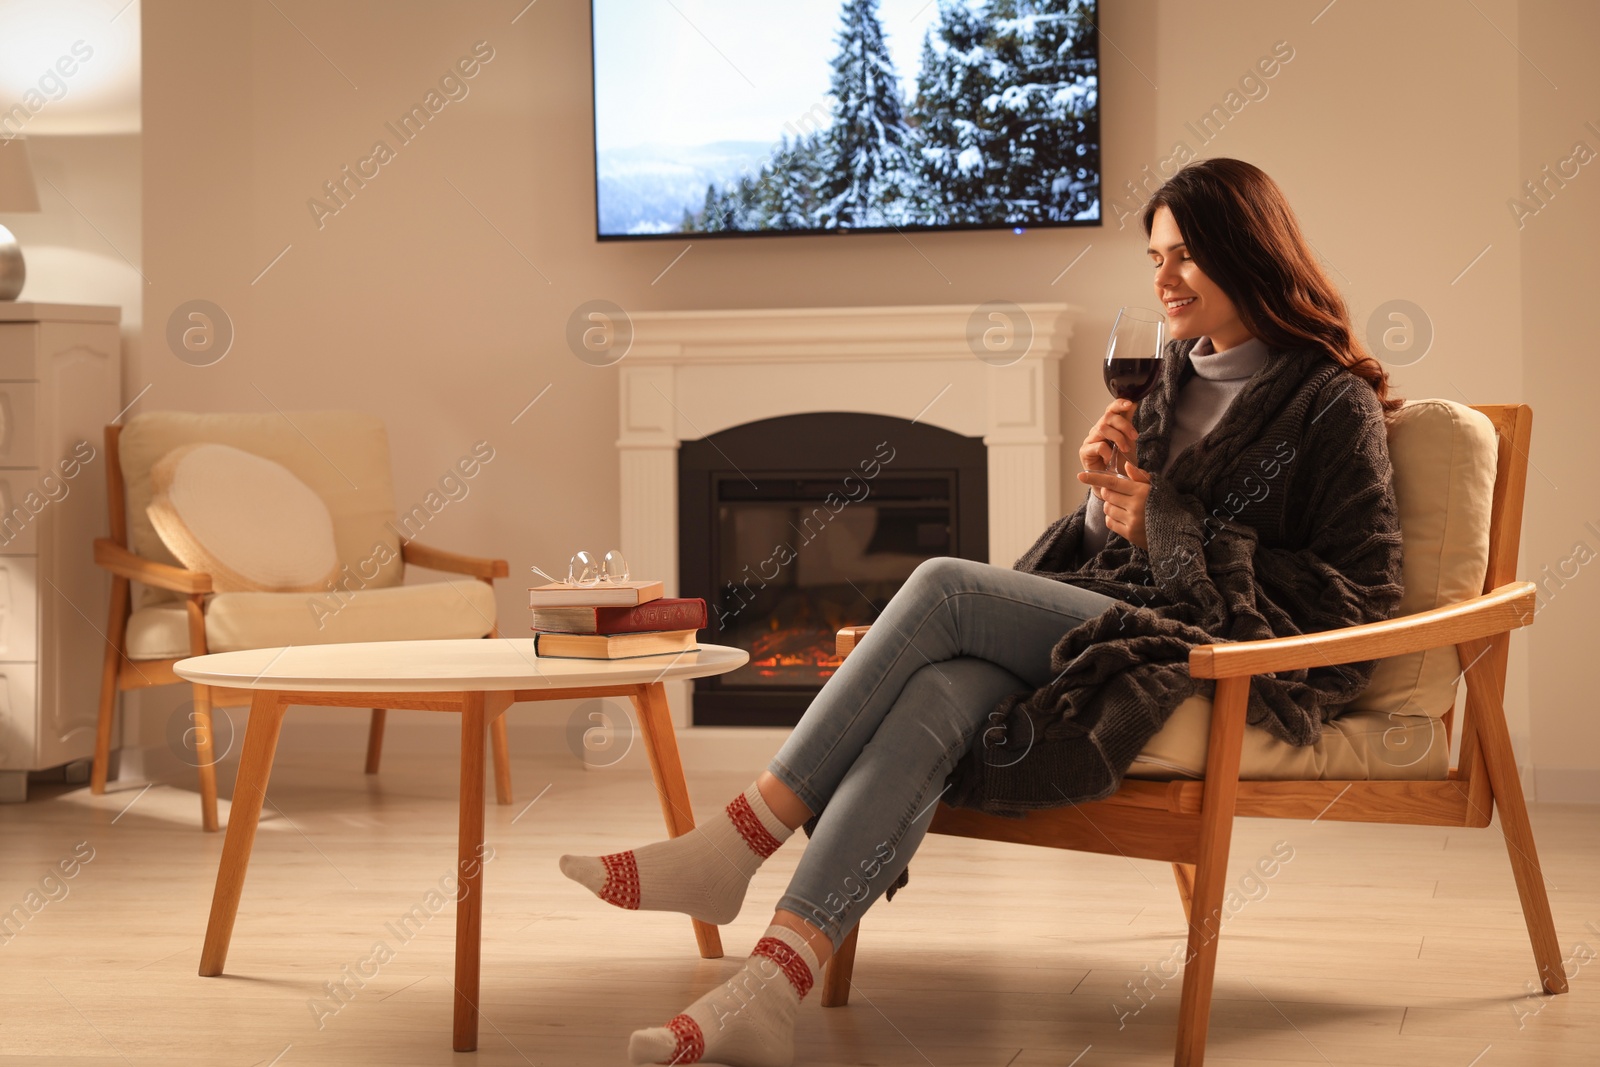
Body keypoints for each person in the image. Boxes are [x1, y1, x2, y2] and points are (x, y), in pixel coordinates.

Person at [559, 157, 1406, 1067]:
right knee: (939, 693)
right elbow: (1122, 539)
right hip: (1128, 615)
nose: (1162, 280)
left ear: (1249, 253)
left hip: (1219, 649)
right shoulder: (1167, 378)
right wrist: (1099, 502)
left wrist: (1160, 519)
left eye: (1187, 256)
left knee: (945, 586)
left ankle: (738, 838)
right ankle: (772, 985)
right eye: (1154, 256)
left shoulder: (1330, 402)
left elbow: (1359, 589)